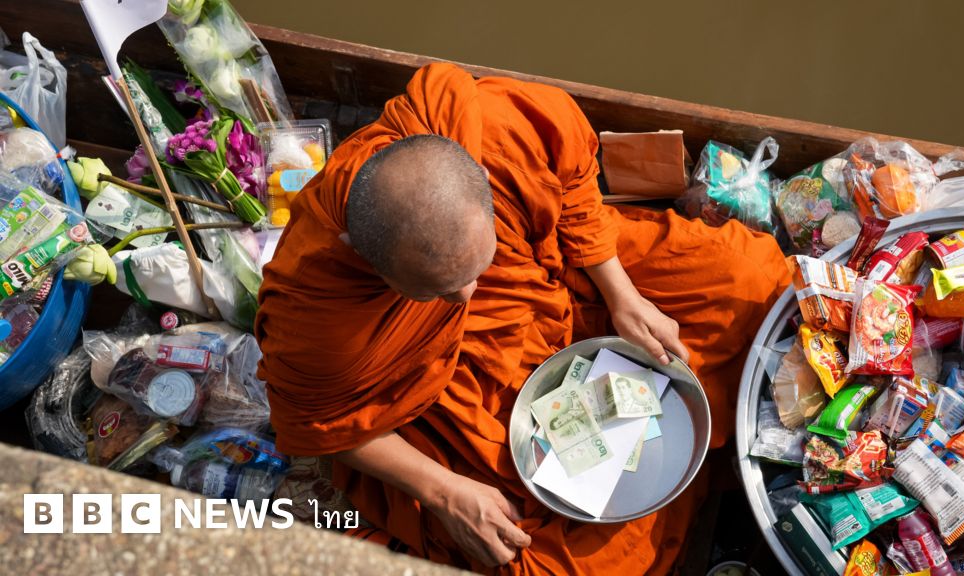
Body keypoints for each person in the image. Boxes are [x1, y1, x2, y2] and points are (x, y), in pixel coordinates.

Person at [256, 62, 789, 574]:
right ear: (365, 259)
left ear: (481, 183)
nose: (467, 295)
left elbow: (573, 185)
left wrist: (622, 294)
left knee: (745, 281)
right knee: (540, 553)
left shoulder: (490, 127)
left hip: (552, 272)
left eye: (475, 270)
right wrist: (443, 491)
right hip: (457, 380)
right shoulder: (314, 312)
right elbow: (319, 426)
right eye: (439, 291)